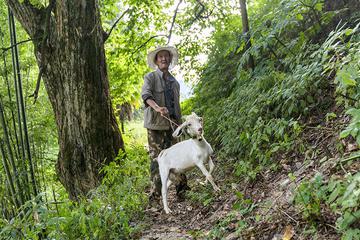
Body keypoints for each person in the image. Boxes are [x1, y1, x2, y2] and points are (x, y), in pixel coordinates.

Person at [141, 46, 189, 205]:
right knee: (157, 161)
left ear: (170, 60)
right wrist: (157, 108)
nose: (164, 59)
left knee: (178, 158)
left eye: (166, 56)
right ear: (156, 61)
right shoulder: (150, 77)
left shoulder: (174, 82)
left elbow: (176, 106)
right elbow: (146, 96)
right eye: (160, 57)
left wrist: (180, 124)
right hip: (155, 126)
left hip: (172, 126)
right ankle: (155, 198)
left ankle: (183, 191)